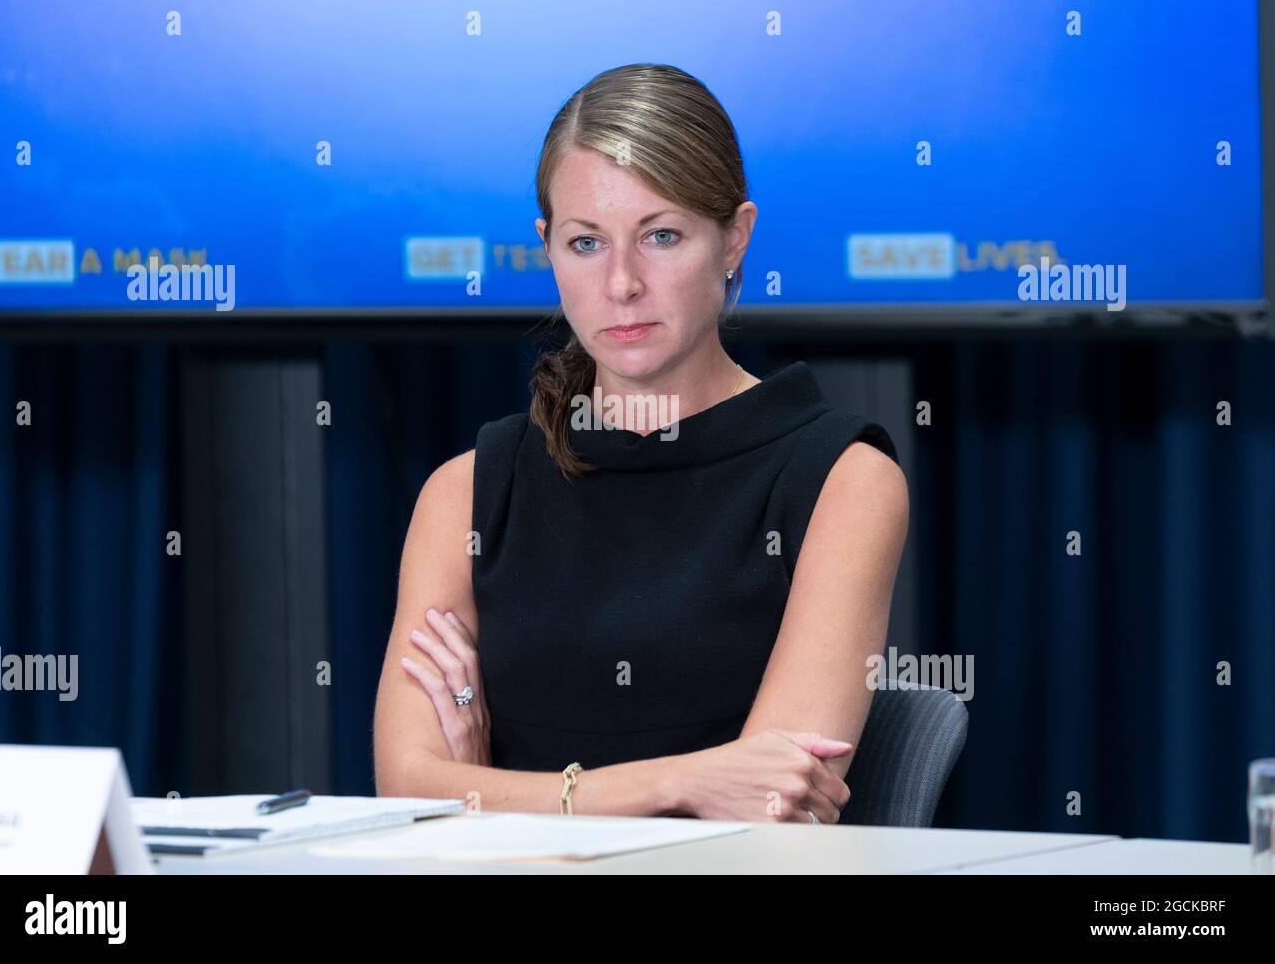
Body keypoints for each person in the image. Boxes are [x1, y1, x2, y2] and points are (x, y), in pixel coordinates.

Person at [373, 63, 908, 824]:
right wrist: (680, 783)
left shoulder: (844, 481)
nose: (622, 283)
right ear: (547, 248)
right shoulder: (465, 492)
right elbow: (406, 794)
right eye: (586, 243)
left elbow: (773, 805)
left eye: (661, 236)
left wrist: (492, 792)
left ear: (735, 239)